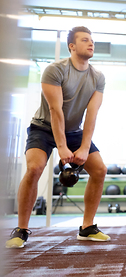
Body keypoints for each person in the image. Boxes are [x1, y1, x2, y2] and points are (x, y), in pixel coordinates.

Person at [6, 26, 110, 248]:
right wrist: (62, 147)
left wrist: (83, 147)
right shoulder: (55, 70)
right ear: (71, 46)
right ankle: (21, 229)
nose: (91, 43)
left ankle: (87, 227)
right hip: (43, 128)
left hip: (73, 131)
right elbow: (55, 110)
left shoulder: (98, 77)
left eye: (92, 40)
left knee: (100, 169)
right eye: (84, 40)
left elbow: (92, 114)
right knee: (35, 168)